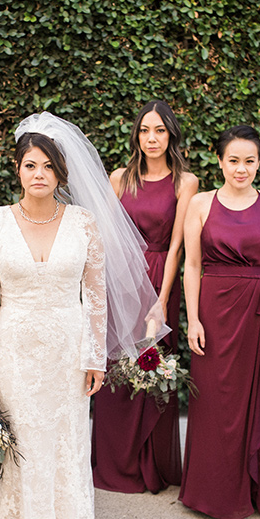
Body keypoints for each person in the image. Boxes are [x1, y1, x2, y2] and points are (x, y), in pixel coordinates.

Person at [0, 112, 165, 519]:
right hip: (15, 347)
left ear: (61, 173)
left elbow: (96, 297)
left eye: (48, 167)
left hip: (68, 348)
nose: (39, 175)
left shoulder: (84, 223)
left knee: (69, 441)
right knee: (26, 442)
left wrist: (95, 356)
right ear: (17, 168)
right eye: (30, 165)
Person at [181, 125, 260, 519]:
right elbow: (191, 265)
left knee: (259, 396)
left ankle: (257, 489)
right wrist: (193, 318)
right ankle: (210, 492)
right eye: (234, 160)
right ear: (220, 161)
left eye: (249, 161)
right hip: (214, 310)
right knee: (213, 400)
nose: (241, 169)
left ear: (259, 162)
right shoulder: (200, 203)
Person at [91, 100, 198, 494]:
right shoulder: (120, 177)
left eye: (160, 131)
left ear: (170, 135)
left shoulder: (186, 183)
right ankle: (114, 465)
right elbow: (100, 237)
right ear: (136, 135)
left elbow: (177, 247)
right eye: (145, 131)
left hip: (158, 278)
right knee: (117, 367)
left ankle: (150, 465)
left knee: (152, 365)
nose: (151, 138)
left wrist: (161, 299)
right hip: (118, 281)